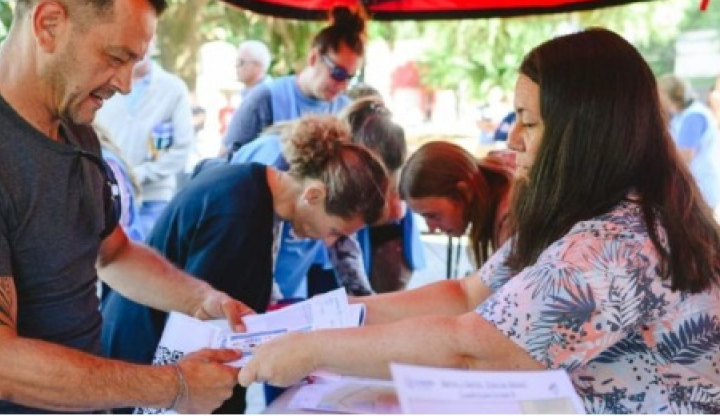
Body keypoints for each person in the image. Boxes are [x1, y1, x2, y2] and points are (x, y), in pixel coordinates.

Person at [239, 28, 720, 414]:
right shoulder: (594, 215)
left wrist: (316, 347)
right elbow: (467, 295)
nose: (513, 140)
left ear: (584, 133)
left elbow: (473, 348)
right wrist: (334, 317)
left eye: (528, 122)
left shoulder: (617, 242)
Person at [0, 0, 254, 413]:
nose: (125, 83)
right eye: (115, 56)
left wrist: (202, 299)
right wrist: (175, 385)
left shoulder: (76, 127)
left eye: (134, 62)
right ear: (49, 24)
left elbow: (113, 254)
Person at [101, 115, 388, 413]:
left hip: (134, 337)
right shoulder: (241, 219)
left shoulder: (250, 182)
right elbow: (222, 342)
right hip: (144, 353)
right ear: (313, 195)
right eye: (334, 231)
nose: (328, 242)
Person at [231, 97, 423, 299]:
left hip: (285, 284)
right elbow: (255, 266)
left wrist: (366, 302)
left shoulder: (338, 177)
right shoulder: (275, 163)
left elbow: (343, 241)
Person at [219, 5, 366, 156]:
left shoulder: (347, 112)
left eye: (350, 77)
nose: (343, 86)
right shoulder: (266, 99)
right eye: (338, 73)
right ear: (314, 58)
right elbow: (224, 163)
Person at [96, 40, 195, 236]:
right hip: (111, 193)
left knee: (149, 256)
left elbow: (183, 148)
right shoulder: (103, 83)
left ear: (153, 45)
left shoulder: (173, 89)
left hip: (155, 198)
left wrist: (141, 174)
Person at [399, 140, 513, 268]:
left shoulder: (510, 222)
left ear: (466, 192)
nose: (431, 228)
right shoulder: (493, 179)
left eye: (433, 216)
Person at [658, 74, 720, 210]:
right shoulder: (684, 115)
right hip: (697, 186)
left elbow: (685, 156)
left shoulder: (693, 117)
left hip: (700, 187)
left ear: (667, 96)